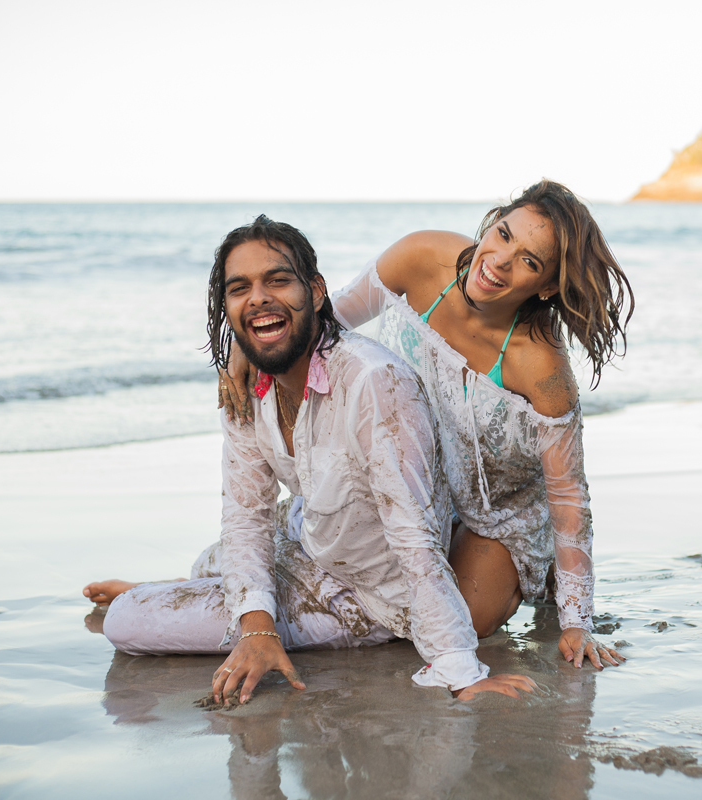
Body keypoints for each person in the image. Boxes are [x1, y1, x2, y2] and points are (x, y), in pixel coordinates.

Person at [85, 215, 535, 704]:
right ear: (228, 309)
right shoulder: (247, 382)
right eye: (240, 288)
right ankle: (196, 592)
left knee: (127, 619)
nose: (258, 297)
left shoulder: (372, 382)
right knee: (211, 560)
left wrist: (461, 672)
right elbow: (246, 517)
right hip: (312, 537)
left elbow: (414, 536)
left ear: (316, 292)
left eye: (277, 280)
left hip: (368, 592)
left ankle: (187, 598)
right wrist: (257, 631)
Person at [220, 180, 633, 671]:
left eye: (529, 260)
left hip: (489, 512)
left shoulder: (540, 367)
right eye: (502, 235)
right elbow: (321, 324)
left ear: (545, 286)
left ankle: (529, 575)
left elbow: (568, 497)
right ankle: (232, 605)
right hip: (405, 478)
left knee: (457, 622)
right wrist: (243, 351)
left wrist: (576, 622)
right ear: (491, 223)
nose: (499, 260)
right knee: (354, 561)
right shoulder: (421, 257)